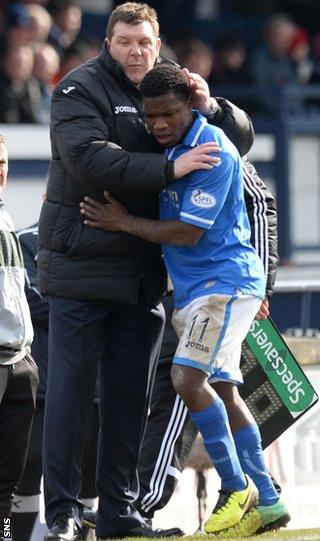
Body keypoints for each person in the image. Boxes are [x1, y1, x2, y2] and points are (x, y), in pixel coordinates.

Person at [79, 63, 289, 537]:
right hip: (201, 290)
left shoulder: (212, 151)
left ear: (190, 106)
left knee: (185, 378)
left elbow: (187, 233)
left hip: (223, 285)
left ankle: (237, 489)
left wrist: (121, 222)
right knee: (226, 392)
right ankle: (269, 501)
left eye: (167, 115)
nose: (157, 126)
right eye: (150, 117)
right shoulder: (169, 150)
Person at [37, 3, 223, 540]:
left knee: (129, 399)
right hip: (81, 265)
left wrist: (213, 109)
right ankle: (63, 515)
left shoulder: (173, 87)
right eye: (124, 41)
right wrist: (169, 167)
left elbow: (231, 144)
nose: (136, 51)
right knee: (70, 397)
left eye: (144, 41)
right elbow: (89, 161)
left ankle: (119, 513)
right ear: (108, 43)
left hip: (142, 270)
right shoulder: (77, 89)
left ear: (158, 41)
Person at [12, 223, 99, 541]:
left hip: (94, 388)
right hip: (42, 385)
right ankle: (11, 536)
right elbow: (32, 299)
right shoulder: (26, 240)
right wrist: (88, 305)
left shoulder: (101, 240)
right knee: (22, 476)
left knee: (88, 481)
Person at [0, 134, 39, 540]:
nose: (1, 171)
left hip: (19, 361)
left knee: (10, 479)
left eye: (4, 162)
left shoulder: (7, 217)